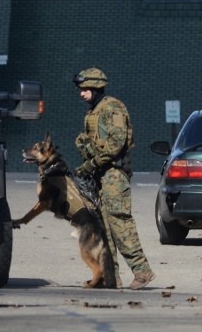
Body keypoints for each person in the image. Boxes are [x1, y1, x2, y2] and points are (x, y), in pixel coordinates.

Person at [73, 67, 155, 290]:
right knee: (104, 229)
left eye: (85, 89)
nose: (81, 93)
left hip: (114, 175)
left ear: (96, 87)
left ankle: (142, 271)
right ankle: (111, 277)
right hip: (101, 175)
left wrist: (90, 164)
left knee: (120, 224)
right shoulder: (94, 111)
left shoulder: (112, 108)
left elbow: (116, 144)